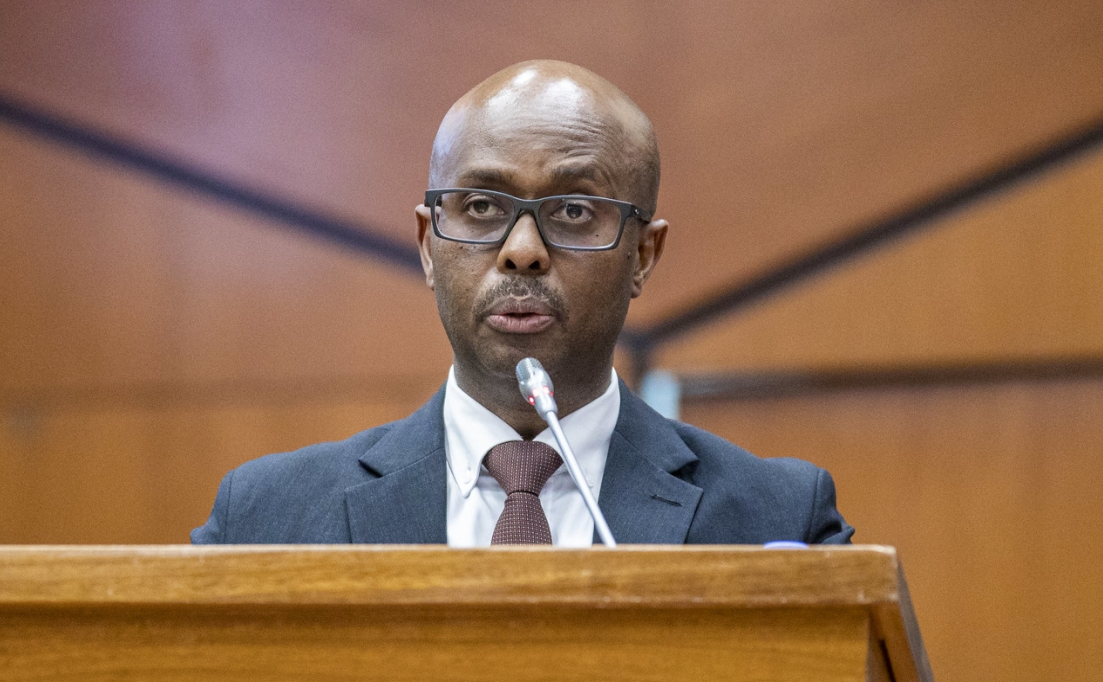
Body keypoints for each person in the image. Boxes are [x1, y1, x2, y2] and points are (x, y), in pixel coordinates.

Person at [192, 60, 854, 546]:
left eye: (572, 209)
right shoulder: (265, 519)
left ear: (643, 256)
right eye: (482, 206)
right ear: (428, 245)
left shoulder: (779, 521)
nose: (523, 250)